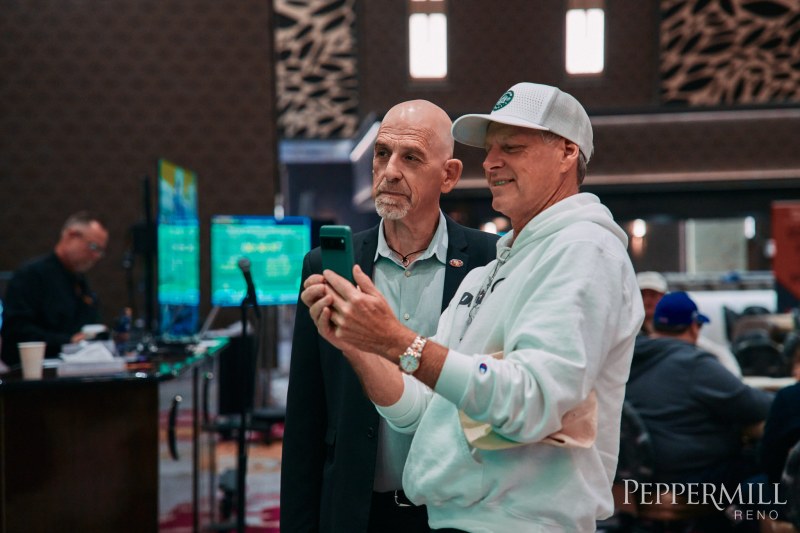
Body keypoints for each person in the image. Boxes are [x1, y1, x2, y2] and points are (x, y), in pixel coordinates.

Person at [301, 82, 644, 531]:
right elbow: (419, 408)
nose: (491, 162)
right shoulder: (496, 267)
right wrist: (358, 343)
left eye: (512, 147)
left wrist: (396, 339)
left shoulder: (583, 248)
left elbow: (531, 400)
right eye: (490, 148)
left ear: (566, 153)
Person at [281, 100, 499, 532]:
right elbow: (305, 415)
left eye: (411, 157)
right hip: (357, 511)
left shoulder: (488, 262)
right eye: (382, 153)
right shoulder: (328, 266)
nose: (391, 171)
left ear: (449, 175)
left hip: (458, 511)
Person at [627, 291, 772, 486]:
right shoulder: (695, 365)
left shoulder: (629, 358)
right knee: (764, 466)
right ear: (694, 327)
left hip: (639, 474)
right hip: (688, 475)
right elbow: (755, 405)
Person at [1, 211, 108, 367]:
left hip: (75, 368)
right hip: (34, 371)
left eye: (100, 251)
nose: (96, 256)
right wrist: (68, 341)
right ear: (71, 236)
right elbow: (16, 332)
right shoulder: (32, 275)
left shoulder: (80, 281)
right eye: (93, 247)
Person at [637, 270, 742, 377]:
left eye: (653, 295)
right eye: (642, 295)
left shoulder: (698, 347)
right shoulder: (630, 338)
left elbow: (726, 362)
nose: (647, 300)